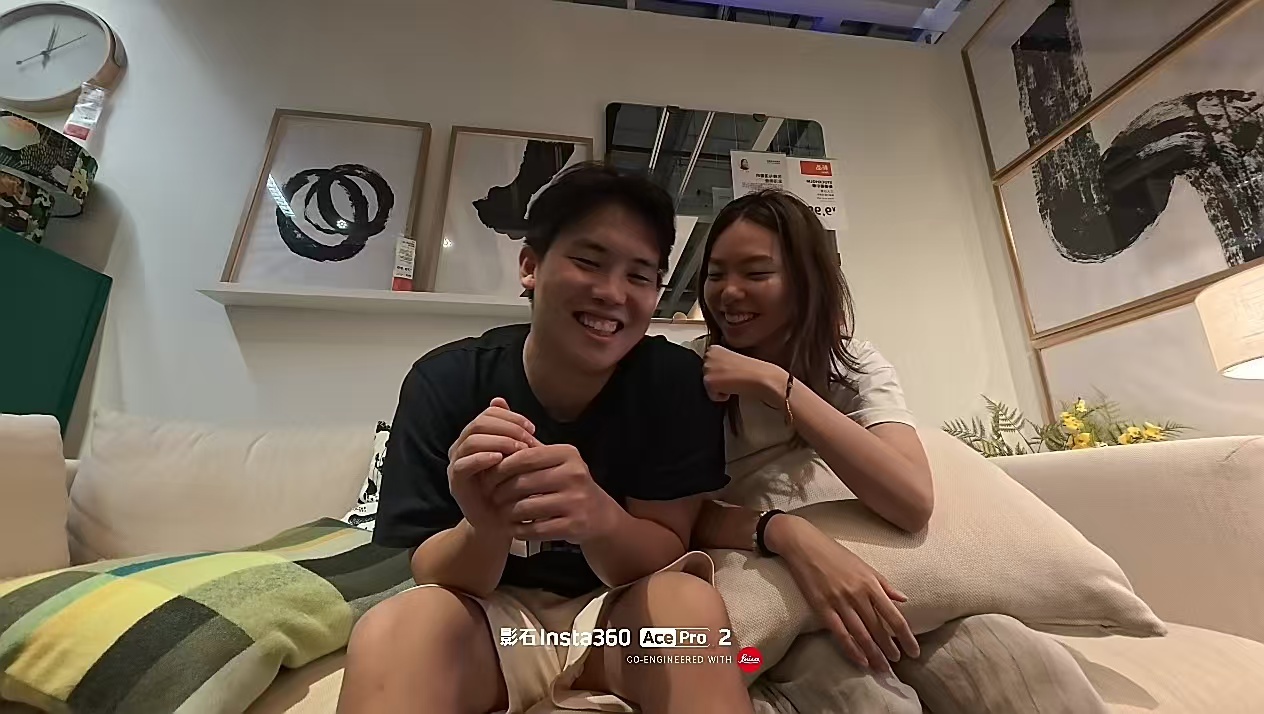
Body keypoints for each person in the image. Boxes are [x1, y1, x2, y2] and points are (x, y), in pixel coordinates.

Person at [336, 163, 753, 714]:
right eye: (589, 262)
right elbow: (432, 573)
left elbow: (665, 550)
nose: (612, 294)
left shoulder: (674, 383)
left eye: (639, 276)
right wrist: (485, 525)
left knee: (687, 603)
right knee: (396, 628)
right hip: (494, 625)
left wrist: (597, 518)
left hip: (618, 622)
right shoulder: (448, 382)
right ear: (530, 266)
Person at [687, 189, 1107, 714]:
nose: (728, 292)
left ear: (806, 280)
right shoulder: (686, 375)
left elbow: (910, 501)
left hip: (888, 572)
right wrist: (786, 533)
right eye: (715, 274)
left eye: (756, 273)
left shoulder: (853, 365)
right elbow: (670, 519)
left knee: (1018, 662)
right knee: (862, 692)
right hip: (764, 571)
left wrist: (780, 386)